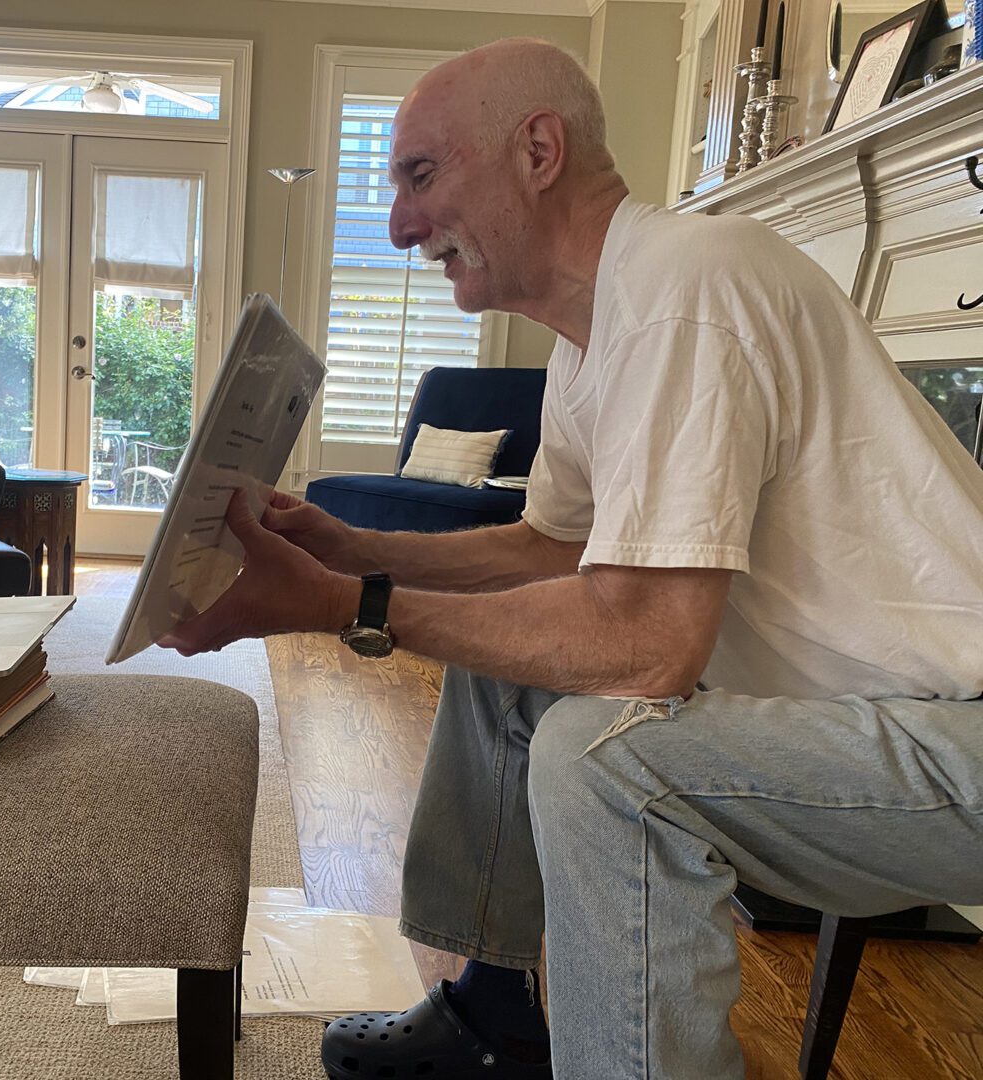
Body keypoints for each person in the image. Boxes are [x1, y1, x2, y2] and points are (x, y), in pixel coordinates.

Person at [159, 38, 983, 1080]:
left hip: (960, 736)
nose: (401, 226)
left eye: (421, 176)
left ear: (538, 150)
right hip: (874, 724)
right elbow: (550, 550)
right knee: (514, 676)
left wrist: (345, 602)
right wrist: (352, 544)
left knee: (608, 759)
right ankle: (493, 1014)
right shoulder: (592, 337)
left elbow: (647, 648)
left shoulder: (687, 290)